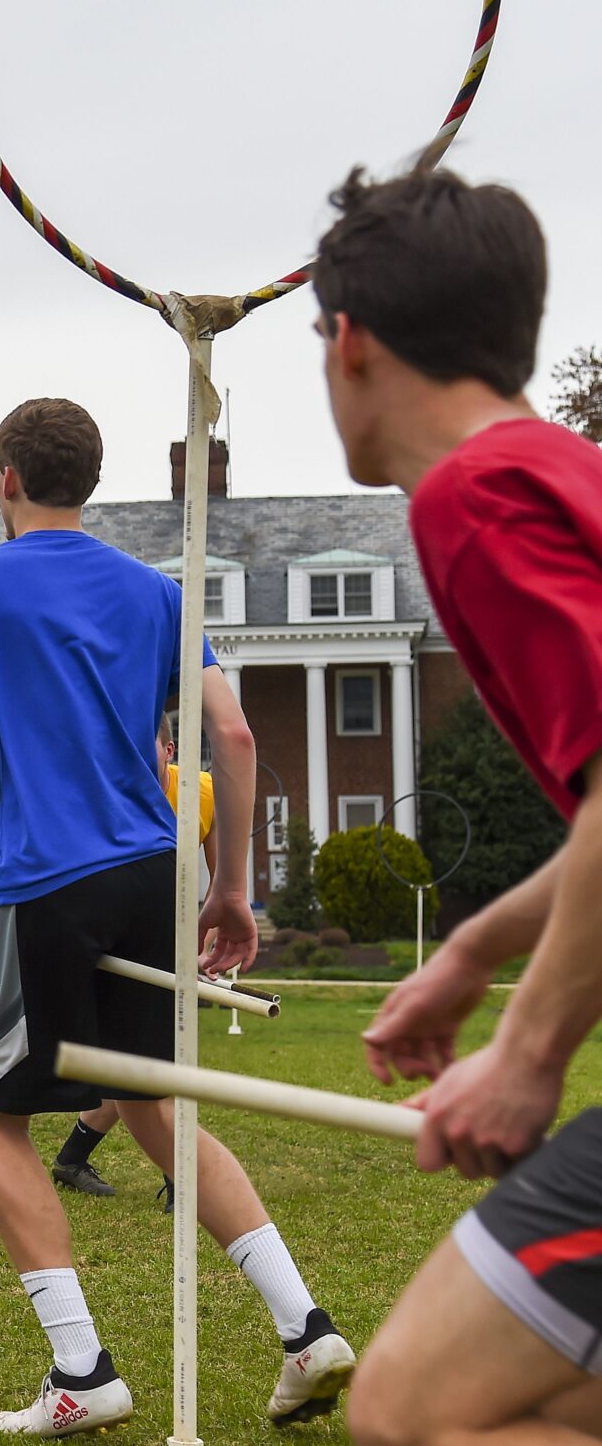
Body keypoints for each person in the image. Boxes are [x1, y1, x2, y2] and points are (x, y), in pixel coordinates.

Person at [0, 398, 349, 1434]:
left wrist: (0, 863)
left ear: (3, 478)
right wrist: (227, 885)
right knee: (157, 1106)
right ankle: (304, 1326)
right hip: (151, 870)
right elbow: (235, 735)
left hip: (42, 876)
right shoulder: (151, 589)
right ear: (89, 479)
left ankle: (80, 1366)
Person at [306, 168, 602, 1446]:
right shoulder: (563, 472)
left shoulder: (473, 500)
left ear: (351, 341)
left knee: (419, 1408)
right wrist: (477, 949)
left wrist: (530, 1050)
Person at [50, 710, 216, 1205]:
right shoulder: (104, 794)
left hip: (170, 936)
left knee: (141, 1062)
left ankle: (73, 1158)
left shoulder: (201, 791)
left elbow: (218, 870)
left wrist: (215, 924)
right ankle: (177, 1176)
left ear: (170, 750)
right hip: (116, 937)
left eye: (150, 751)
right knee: (149, 1061)